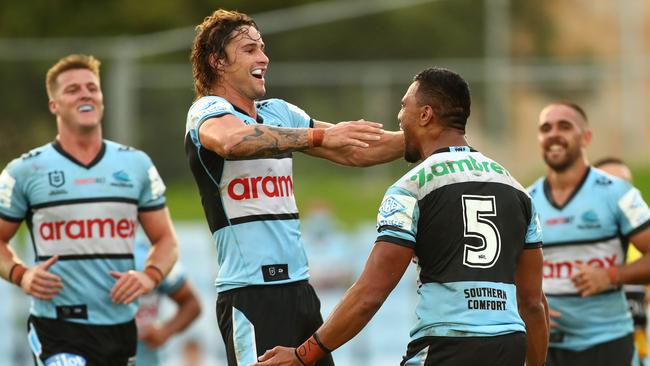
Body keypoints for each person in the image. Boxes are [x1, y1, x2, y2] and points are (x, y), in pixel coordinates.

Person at [253, 67, 548, 366]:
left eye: (404, 105)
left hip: (447, 345)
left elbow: (370, 293)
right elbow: (533, 304)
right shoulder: (517, 190)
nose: (399, 117)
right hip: (509, 345)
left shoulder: (412, 188)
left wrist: (304, 355)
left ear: (425, 115)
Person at [185, 9, 405, 366]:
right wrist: (318, 135)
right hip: (250, 295)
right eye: (249, 49)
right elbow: (231, 141)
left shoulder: (279, 112)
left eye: (263, 47)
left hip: (301, 292)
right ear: (217, 62)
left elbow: (355, 150)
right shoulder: (207, 110)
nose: (263, 57)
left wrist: (426, 138)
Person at [0, 54, 178, 365]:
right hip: (56, 327)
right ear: (54, 105)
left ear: (101, 99)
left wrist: (150, 276)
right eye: (72, 90)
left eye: (92, 88)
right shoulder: (24, 170)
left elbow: (166, 241)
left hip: (120, 327)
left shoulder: (136, 164)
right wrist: (21, 274)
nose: (85, 93)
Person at [529, 102, 650, 366]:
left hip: (606, 344)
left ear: (586, 137)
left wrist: (610, 275)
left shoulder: (618, 193)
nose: (554, 134)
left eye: (565, 126)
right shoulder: (525, 199)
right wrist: (525, 306)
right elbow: (502, 269)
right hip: (546, 345)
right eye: (546, 128)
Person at [593, 157, 648, 365]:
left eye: (626, 186)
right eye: (611, 185)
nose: (620, 194)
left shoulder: (642, 244)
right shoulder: (568, 242)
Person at [134, 233, 201, 366]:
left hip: (146, 359)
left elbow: (192, 303)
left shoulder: (147, 254)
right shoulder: (86, 253)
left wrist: (164, 331)